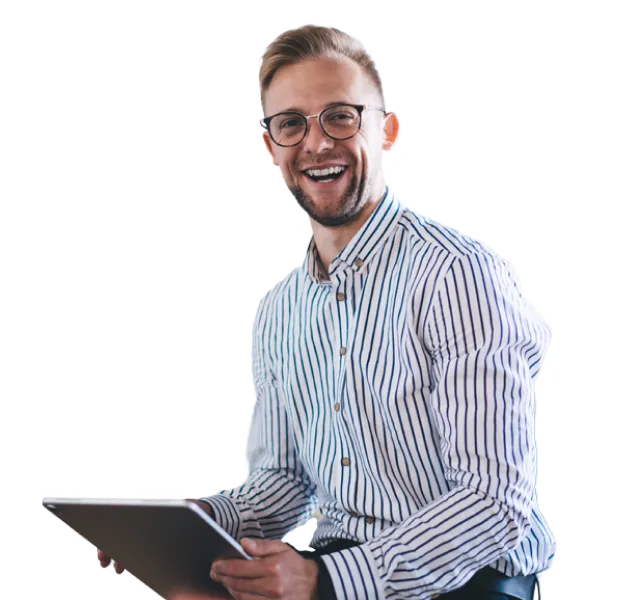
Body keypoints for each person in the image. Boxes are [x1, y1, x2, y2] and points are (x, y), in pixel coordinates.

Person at [97, 23, 554, 599]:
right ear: (271, 146)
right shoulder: (279, 311)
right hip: (337, 572)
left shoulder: (457, 276)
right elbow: (285, 483)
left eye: (341, 115)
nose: (317, 143)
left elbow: (494, 505)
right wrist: (197, 521)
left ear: (384, 128)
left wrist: (327, 580)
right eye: (291, 124)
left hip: (469, 585)